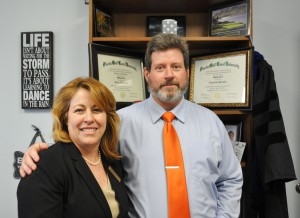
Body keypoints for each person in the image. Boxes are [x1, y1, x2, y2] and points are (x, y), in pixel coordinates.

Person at [20, 34, 243, 217]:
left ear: (187, 72)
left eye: (176, 66)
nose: (168, 75)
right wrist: (40, 152)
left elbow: (230, 179)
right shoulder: (120, 121)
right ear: (147, 74)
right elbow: (82, 144)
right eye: (159, 68)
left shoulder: (211, 122)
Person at [17, 77, 129, 218]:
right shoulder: (44, 166)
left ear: (107, 117)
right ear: (65, 117)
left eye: (97, 110)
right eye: (79, 110)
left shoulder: (112, 160)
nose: (89, 118)